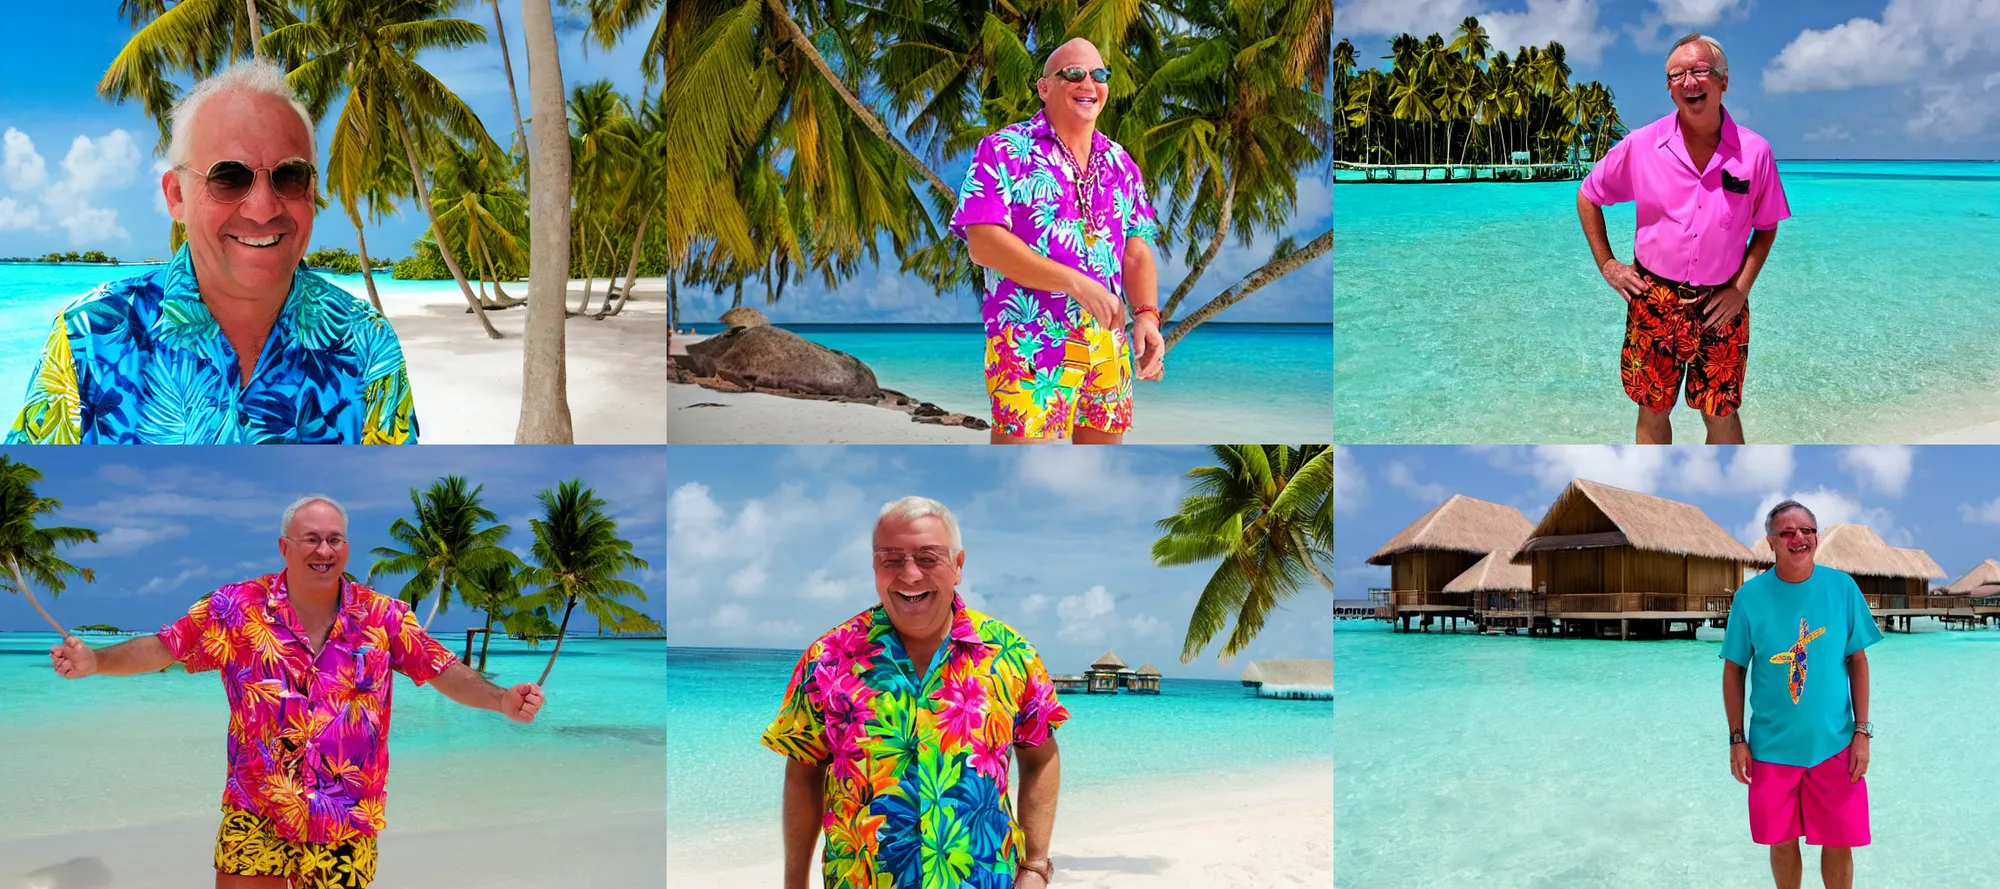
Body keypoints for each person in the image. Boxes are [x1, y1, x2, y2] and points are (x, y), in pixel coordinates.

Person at [47, 495, 541, 887]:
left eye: (334, 540)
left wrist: (499, 700)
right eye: (310, 539)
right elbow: (166, 647)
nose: (323, 550)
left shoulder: (384, 616)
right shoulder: (237, 607)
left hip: (346, 818)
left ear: (346, 548)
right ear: (285, 547)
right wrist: (97, 662)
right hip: (256, 808)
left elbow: (443, 670)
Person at [8, 60, 417, 445]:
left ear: (311, 191)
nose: (263, 208)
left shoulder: (367, 343)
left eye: (289, 176)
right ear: (176, 196)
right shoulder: (88, 339)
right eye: (228, 178)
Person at [763, 497, 1067, 888]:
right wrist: (794, 883)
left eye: (928, 558)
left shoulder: (1011, 655)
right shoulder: (827, 659)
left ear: (958, 566)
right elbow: (803, 773)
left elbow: (1040, 756)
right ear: (874, 566)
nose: (909, 575)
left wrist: (1036, 865)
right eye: (891, 559)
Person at [1575, 33, 1789, 445]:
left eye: (1699, 71)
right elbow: (1588, 195)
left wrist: (1740, 289)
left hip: (1722, 303)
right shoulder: (1641, 144)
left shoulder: (1755, 152)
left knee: (1721, 413)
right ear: (1670, 87)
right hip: (1653, 299)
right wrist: (1608, 265)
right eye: (1677, 74)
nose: (1689, 81)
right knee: (1652, 409)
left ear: (1723, 81)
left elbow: (1766, 226)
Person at [952, 37, 1164, 445]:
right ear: (1044, 88)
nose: (1089, 82)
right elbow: (983, 243)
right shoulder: (1004, 149)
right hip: (1030, 339)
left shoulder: (1121, 162)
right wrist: (1076, 283)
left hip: (1108, 343)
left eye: (1099, 75)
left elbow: (1136, 250)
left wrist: (1148, 317)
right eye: (1073, 73)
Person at [1722, 499, 1879, 889]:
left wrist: (1863, 732)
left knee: (1840, 842)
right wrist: (1737, 739)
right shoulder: (1749, 597)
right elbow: (1734, 670)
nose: (1799, 538)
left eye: (1807, 531)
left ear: (1817, 537)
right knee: (1781, 841)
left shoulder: (1841, 588)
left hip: (1835, 744)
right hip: (1771, 749)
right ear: (1771, 541)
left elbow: (1857, 662)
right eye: (1787, 532)